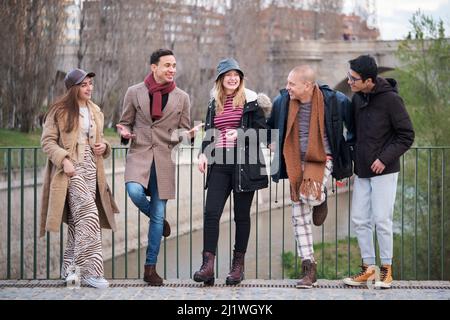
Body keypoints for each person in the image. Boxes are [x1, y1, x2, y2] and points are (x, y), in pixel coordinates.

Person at [117, 49, 202, 286]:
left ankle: (150, 268)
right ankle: (158, 219)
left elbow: (181, 132)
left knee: (157, 214)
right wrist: (123, 133)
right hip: (139, 154)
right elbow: (125, 123)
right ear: (154, 67)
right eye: (167, 65)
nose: (172, 69)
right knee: (134, 192)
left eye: (174, 65)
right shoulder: (133, 92)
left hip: (164, 159)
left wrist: (190, 135)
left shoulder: (182, 97)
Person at [267, 65, 354, 289]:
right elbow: (269, 127)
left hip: (322, 158)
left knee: (309, 197)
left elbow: (353, 124)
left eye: (291, 84)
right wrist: (271, 140)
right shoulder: (282, 102)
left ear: (307, 85)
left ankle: (320, 197)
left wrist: (350, 149)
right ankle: (309, 267)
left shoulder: (335, 100)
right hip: (295, 160)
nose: (287, 88)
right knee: (298, 215)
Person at [193, 58, 271, 286]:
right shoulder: (213, 103)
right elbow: (209, 134)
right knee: (211, 213)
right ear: (220, 79)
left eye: (236, 74)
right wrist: (203, 153)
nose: (233, 78)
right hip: (220, 164)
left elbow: (264, 133)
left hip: (245, 165)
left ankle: (237, 268)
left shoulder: (252, 101)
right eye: (228, 75)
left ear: (241, 78)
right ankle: (208, 266)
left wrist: (241, 132)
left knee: (241, 216)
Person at [40, 68, 119, 289]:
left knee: (78, 223)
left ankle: (70, 271)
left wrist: (105, 147)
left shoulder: (95, 110)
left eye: (91, 84)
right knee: (90, 215)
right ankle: (92, 272)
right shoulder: (59, 111)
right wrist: (64, 160)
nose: (89, 88)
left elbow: (101, 140)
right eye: (84, 85)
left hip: (92, 168)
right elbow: (47, 142)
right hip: (70, 170)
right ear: (74, 88)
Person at [343, 55, 414, 289]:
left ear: (369, 80)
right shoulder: (356, 99)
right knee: (360, 220)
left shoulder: (392, 101)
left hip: (385, 171)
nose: (349, 81)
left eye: (354, 79)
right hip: (362, 170)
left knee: (382, 220)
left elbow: (406, 135)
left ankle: (386, 271)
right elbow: (354, 133)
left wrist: (384, 159)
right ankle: (369, 269)